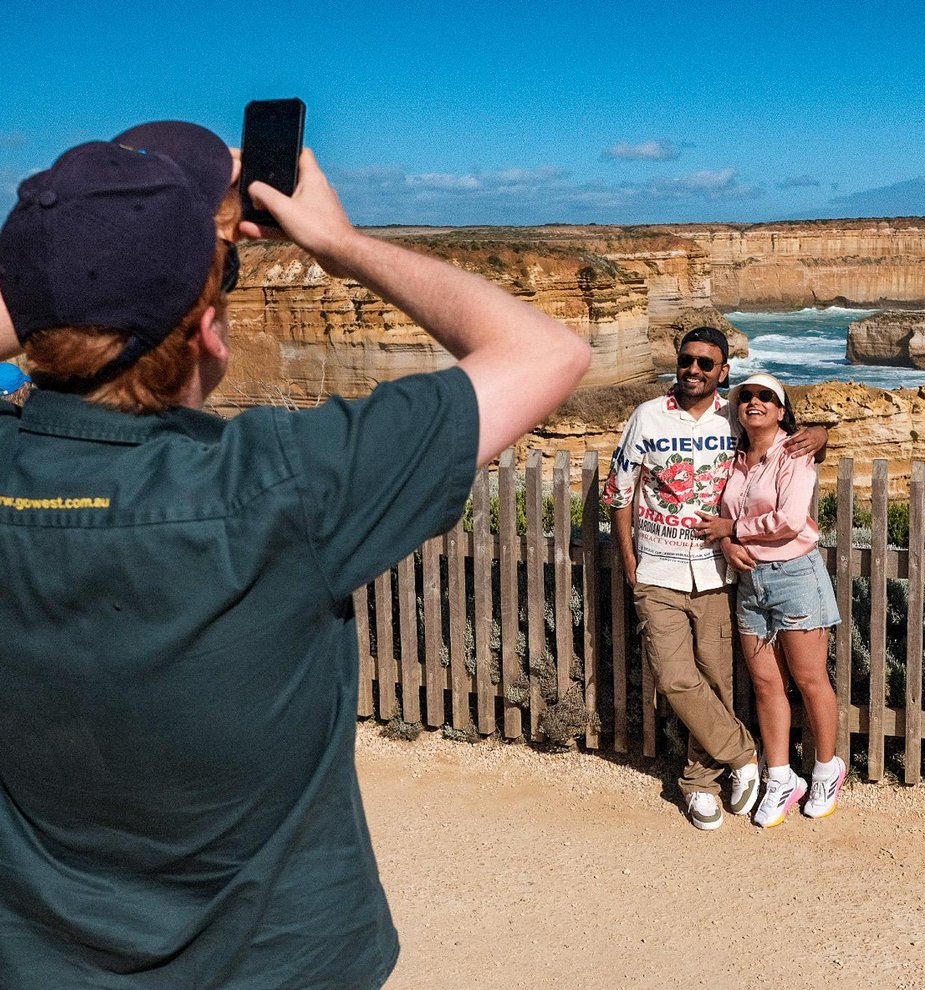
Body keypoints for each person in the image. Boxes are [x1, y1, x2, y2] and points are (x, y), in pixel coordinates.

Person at [0, 121, 591, 988]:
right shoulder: (288, 485)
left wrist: (66, 272)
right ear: (209, 331)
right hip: (278, 964)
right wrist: (341, 246)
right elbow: (549, 351)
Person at [603, 328, 825, 829]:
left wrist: (823, 435)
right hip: (657, 570)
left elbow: (785, 442)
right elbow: (618, 492)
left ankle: (699, 782)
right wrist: (628, 560)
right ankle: (743, 755)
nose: (695, 370)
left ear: (723, 372)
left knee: (718, 682)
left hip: (718, 573)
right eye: (688, 360)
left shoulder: (735, 416)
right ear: (678, 363)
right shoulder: (648, 416)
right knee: (676, 678)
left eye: (707, 363)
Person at [694, 373, 846, 827]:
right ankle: (780, 777)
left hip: (795, 576)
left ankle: (826, 769)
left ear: (781, 411)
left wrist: (734, 531)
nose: (753, 402)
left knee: (809, 678)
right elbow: (722, 516)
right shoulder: (735, 459)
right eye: (746, 397)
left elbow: (791, 520)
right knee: (765, 684)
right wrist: (726, 542)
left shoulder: (794, 452)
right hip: (750, 581)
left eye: (766, 397)